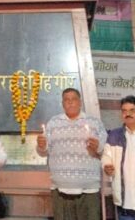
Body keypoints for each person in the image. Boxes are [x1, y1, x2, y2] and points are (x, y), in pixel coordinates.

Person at [37, 88, 107, 220]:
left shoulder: (94, 123)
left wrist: (99, 147)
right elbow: (43, 152)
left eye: (73, 99)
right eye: (66, 100)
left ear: (80, 102)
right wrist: (41, 146)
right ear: (62, 103)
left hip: (89, 190)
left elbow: (107, 151)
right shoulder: (53, 123)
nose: (70, 103)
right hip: (60, 190)